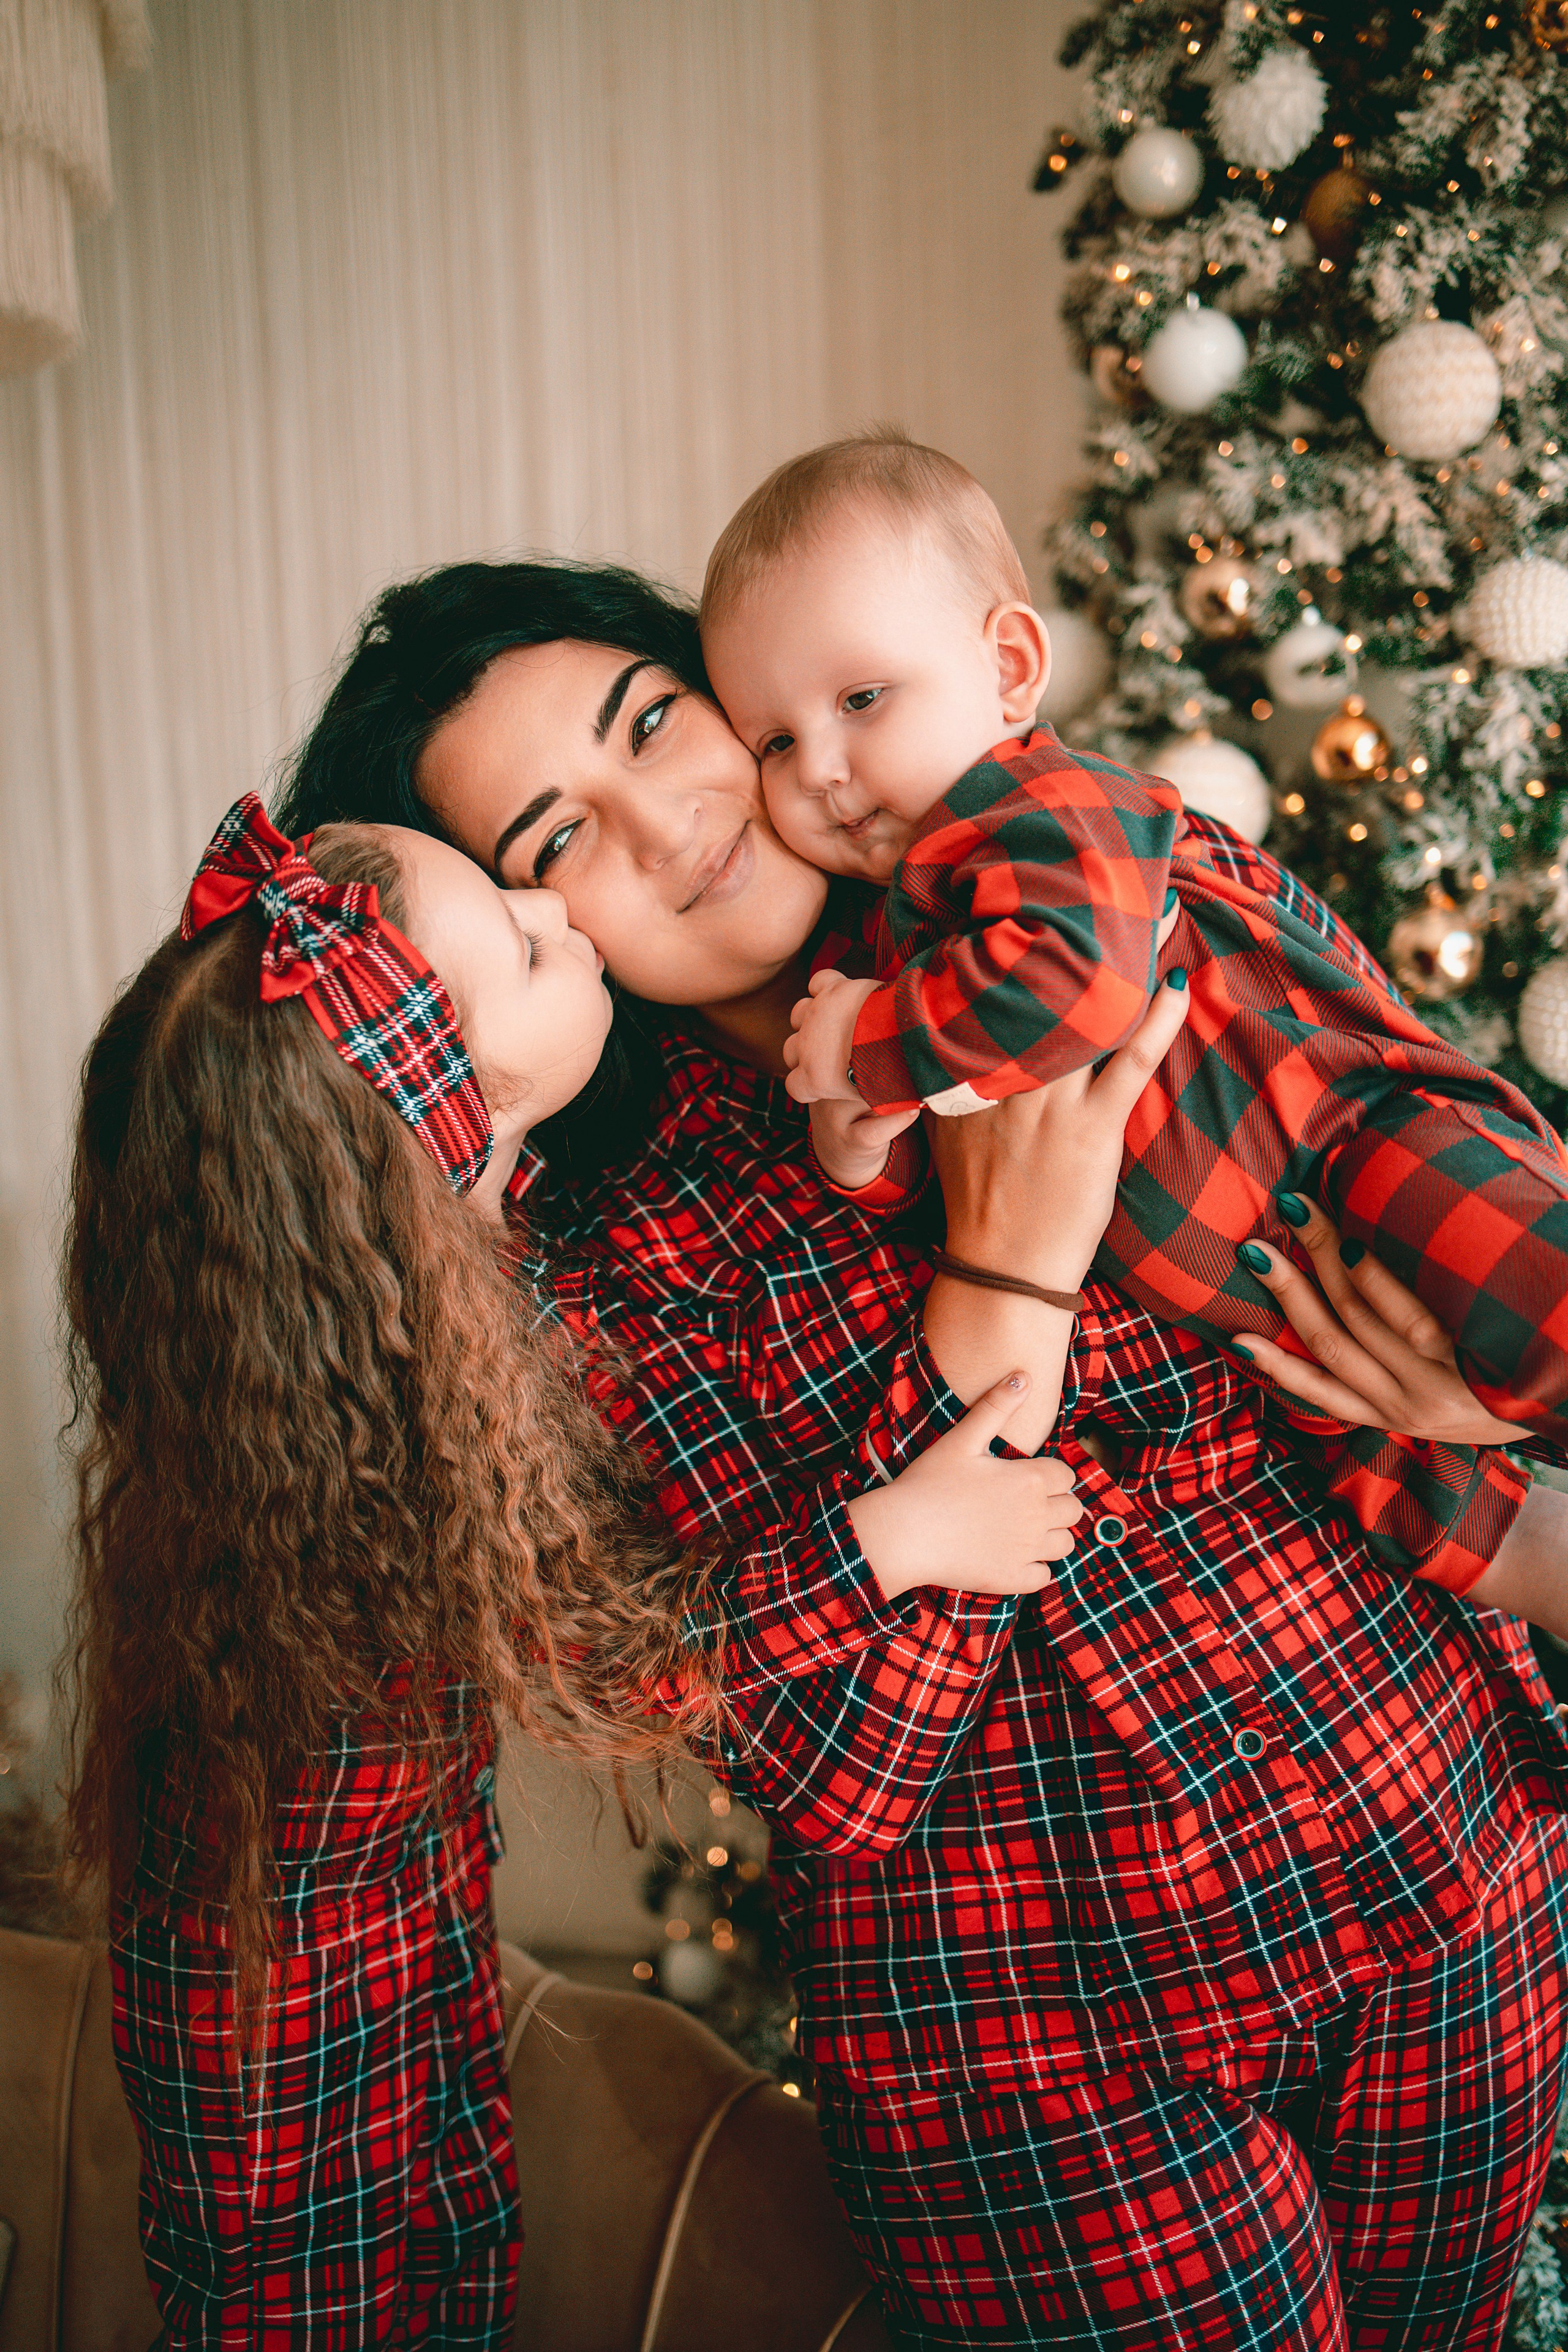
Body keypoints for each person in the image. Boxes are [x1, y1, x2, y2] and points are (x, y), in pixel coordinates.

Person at [277, 554, 1568, 2349]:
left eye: (655, 722)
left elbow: (1402, 1112)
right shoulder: (595, 1266)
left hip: (1437, 1866)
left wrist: (1461, 1393)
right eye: (554, 844)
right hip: (1039, 2060)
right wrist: (1005, 1281)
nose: (668, 822)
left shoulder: (1084, 885)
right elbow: (837, 1769)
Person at [63, 788, 1105, 2350]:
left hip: (399, 1948)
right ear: (449, 1124)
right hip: (284, 2023)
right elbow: (616, 1661)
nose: (566, 920)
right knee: (312, 2304)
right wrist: (889, 1538)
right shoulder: (370, 1452)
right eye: (524, 943)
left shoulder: (378, 1304)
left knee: (460, 2233)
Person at [695, 431, 1568, 1520]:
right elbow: (951, 1169)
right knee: (1433, 1517)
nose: (820, 769)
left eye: (862, 699)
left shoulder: (1058, 811)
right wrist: (859, 1143)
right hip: (1265, 1309)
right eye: (773, 742)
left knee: (1539, 1306)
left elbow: (1069, 989)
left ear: (1009, 668)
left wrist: (868, 1044)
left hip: (1359, 1146)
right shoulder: (892, 943)